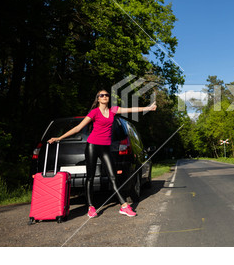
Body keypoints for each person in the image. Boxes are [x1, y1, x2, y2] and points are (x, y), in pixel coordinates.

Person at [48, 90, 157, 218]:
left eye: (106, 95)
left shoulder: (113, 111)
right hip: (92, 146)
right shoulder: (94, 112)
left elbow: (131, 109)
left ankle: (123, 206)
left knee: (113, 177)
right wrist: (59, 138)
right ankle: (91, 207)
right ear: (98, 99)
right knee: (90, 177)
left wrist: (148, 108)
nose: (105, 97)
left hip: (106, 148)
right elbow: (78, 128)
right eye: (102, 95)